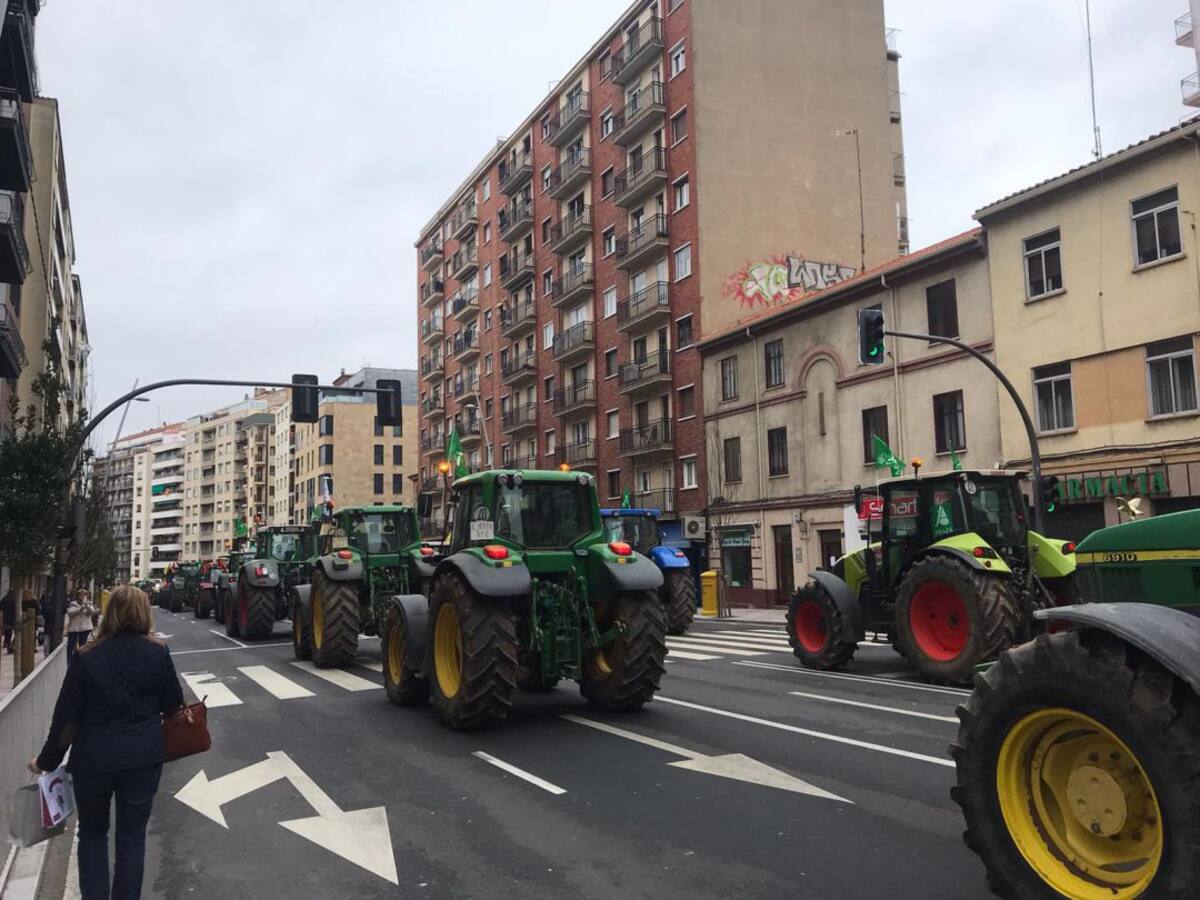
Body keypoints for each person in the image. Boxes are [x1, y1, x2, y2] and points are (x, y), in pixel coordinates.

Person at [30, 585, 183, 900]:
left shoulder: (86, 656)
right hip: (143, 759)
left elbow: (66, 720)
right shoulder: (157, 652)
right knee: (132, 838)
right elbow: (173, 704)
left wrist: (46, 761)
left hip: (93, 761)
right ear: (144, 613)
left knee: (92, 834)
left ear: (109, 613)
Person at [66, 589, 96, 659]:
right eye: (81, 594)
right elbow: (70, 613)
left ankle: (81, 659)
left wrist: (86, 605)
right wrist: (80, 609)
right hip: (74, 628)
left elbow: (92, 612)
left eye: (84, 595)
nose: (82, 596)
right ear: (78, 596)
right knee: (71, 645)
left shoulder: (89, 604)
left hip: (85, 628)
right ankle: (69, 660)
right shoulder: (73, 604)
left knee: (83, 645)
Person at [1, 585, 15, 654]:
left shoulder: (4, 599)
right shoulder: (14, 600)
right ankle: (10, 645)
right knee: (15, 632)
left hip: (5, 617)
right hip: (13, 618)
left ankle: (6, 643)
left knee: (8, 632)